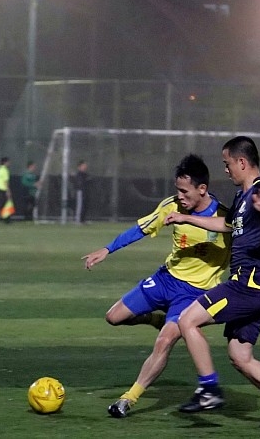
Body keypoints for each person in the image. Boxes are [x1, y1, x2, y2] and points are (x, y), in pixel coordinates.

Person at [164, 136, 260, 430]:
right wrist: (185, 218)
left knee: (187, 320)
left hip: (246, 285)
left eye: (227, 163)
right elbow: (227, 226)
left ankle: (208, 389)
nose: (226, 169)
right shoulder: (242, 198)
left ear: (242, 162)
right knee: (240, 357)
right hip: (255, 286)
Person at [82, 154, 230, 419]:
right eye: (177, 190)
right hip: (165, 280)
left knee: (164, 341)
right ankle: (156, 319)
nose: (180, 196)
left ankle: (128, 399)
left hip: (194, 294)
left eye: (184, 191)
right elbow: (140, 228)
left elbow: (254, 238)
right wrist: (107, 249)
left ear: (202, 189)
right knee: (113, 317)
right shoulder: (171, 206)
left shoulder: (224, 218)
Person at [0, 157, 11, 223]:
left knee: (2, 204)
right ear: (5, 162)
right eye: (8, 162)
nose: (9, 163)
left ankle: (6, 219)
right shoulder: (5, 170)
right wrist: (8, 191)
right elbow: (5, 181)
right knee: (4, 204)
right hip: (3, 189)